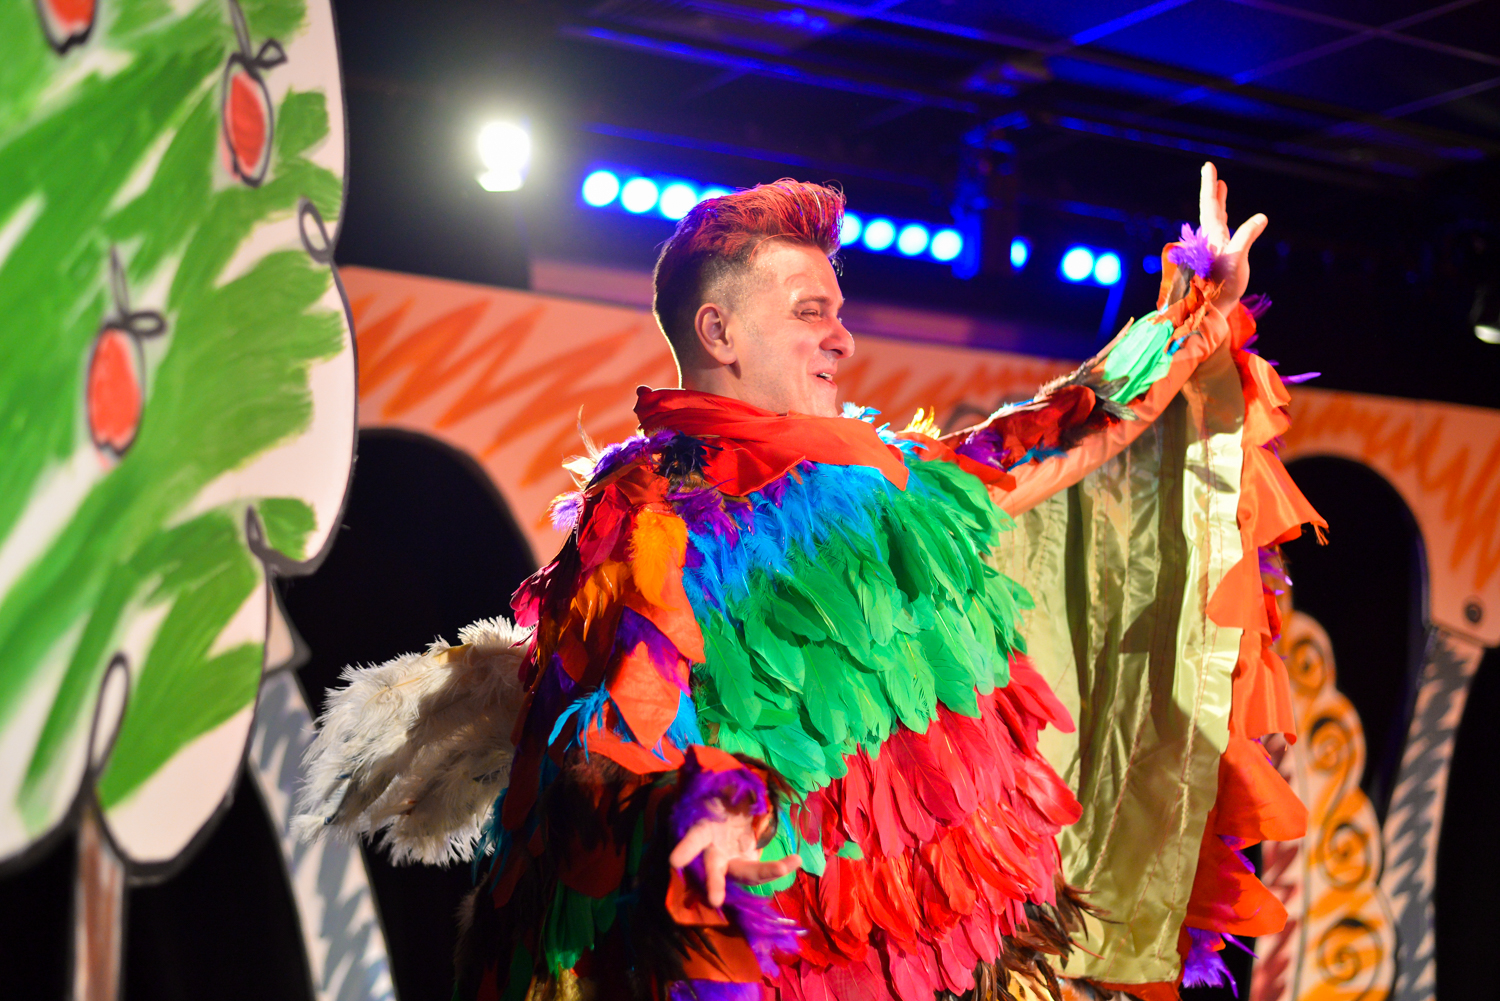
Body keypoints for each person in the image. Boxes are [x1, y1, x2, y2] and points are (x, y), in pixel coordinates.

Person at [298, 165, 1321, 1001]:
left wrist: (1195, 312)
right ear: (719, 334)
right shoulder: (647, 511)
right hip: (769, 954)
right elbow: (621, 714)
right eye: (810, 311)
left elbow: (1055, 434)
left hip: (930, 951)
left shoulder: (889, 483)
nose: (843, 336)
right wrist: (709, 805)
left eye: (838, 310)